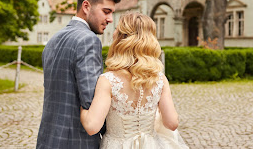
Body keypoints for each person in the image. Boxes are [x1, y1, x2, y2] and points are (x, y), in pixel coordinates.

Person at [80, 12, 188, 148]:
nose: (113, 33)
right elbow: (172, 123)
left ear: (121, 38)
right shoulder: (160, 79)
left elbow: (92, 126)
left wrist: (81, 108)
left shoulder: (108, 80)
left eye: (116, 29)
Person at [36, 0, 121, 149]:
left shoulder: (53, 39)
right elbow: (90, 102)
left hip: (48, 139)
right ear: (86, 6)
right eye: (106, 11)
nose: (110, 19)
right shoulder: (88, 40)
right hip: (77, 142)